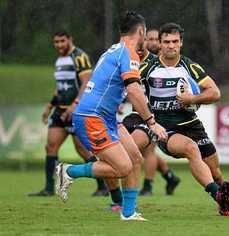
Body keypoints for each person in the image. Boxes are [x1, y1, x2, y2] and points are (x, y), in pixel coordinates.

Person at [55, 11, 167, 221]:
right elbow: (134, 91)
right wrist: (152, 123)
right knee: (122, 167)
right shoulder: (129, 53)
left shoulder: (111, 51)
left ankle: (128, 212)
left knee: (135, 158)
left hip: (106, 117)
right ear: (141, 31)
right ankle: (69, 171)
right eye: (145, 34)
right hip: (92, 117)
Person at [140, 22, 229, 216]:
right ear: (160, 44)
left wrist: (191, 99)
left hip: (192, 124)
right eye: (166, 42)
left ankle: (225, 206)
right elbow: (128, 88)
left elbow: (215, 93)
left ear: (181, 43)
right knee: (191, 148)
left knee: (216, 172)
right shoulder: (147, 68)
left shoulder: (190, 67)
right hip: (165, 127)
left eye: (175, 41)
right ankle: (217, 196)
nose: (171, 46)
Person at [28, 30, 108, 197]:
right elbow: (61, 87)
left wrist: (75, 105)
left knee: (83, 150)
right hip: (60, 110)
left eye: (62, 41)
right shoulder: (59, 60)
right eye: (56, 42)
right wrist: (49, 107)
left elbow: (87, 82)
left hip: (77, 110)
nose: (59, 45)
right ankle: (49, 188)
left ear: (70, 40)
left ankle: (103, 186)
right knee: (50, 146)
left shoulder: (79, 56)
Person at [123, 40, 181, 196]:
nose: (153, 43)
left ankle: (146, 187)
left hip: (154, 115)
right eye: (151, 39)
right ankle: (169, 176)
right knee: (141, 152)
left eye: (157, 39)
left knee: (144, 152)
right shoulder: (131, 62)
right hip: (137, 114)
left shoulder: (157, 64)